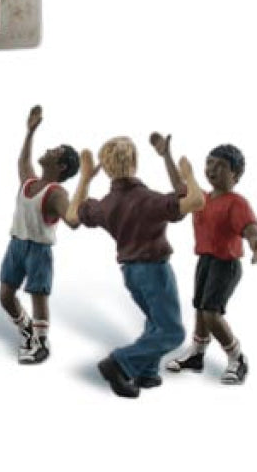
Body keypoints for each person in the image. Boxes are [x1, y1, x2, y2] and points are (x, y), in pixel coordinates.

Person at [67, 134, 204, 398]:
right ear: (135, 162)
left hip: (130, 273)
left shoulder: (106, 205)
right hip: (155, 271)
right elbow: (195, 200)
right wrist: (188, 174)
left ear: (106, 168)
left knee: (155, 322)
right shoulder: (149, 200)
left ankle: (147, 372)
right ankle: (119, 363)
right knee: (172, 332)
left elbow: (72, 216)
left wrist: (85, 177)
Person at [165, 144, 257, 384]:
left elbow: (250, 229)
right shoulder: (201, 198)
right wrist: (166, 154)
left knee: (211, 312)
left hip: (225, 264)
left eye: (221, 166)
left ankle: (237, 357)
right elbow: (180, 186)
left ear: (235, 175)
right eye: (210, 163)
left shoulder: (237, 203)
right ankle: (197, 354)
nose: (212, 169)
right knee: (200, 308)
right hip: (205, 261)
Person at [0, 105, 80, 364]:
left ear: (61, 166)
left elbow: (72, 220)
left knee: (38, 296)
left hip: (38, 250)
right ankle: (26, 329)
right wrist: (30, 132)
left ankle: (42, 343)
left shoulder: (56, 193)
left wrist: (83, 192)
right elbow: (23, 162)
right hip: (16, 244)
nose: (49, 150)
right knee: (5, 295)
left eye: (55, 151)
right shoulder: (30, 182)